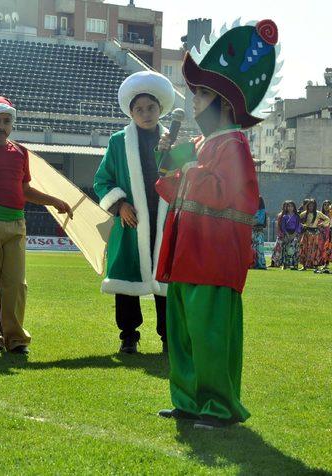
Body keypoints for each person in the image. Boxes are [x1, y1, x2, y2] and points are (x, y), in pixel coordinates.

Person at [155, 19, 281, 429]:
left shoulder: (235, 145)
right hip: (186, 255)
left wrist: (187, 170)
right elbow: (168, 180)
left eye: (203, 93)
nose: (194, 102)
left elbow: (235, 199)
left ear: (225, 103)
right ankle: (188, 401)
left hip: (212, 259)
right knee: (184, 334)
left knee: (209, 337)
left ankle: (219, 406)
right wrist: (170, 158)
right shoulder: (200, 144)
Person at [0, 96, 72, 354]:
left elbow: (24, 189)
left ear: (12, 123)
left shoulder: (21, 153)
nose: (1, 126)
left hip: (16, 222)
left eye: (6, 121)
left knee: (15, 284)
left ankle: (15, 339)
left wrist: (53, 201)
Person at [94, 71, 176, 354]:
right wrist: (120, 205)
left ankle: (169, 338)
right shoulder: (118, 142)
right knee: (126, 277)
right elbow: (102, 180)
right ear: (131, 112)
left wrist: (176, 154)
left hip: (166, 222)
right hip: (131, 222)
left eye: (151, 107)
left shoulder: (173, 140)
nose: (146, 113)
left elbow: (187, 178)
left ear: (160, 109)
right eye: (139, 109)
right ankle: (129, 335)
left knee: (167, 278)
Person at [299, 199, 330, 271]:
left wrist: (322, 224)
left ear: (315, 206)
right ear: (308, 206)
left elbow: (327, 219)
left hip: (315, 233)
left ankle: (315, 265)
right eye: (309, 205)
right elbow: (298, 220)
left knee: (315, 250)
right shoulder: (304, 213)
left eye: (312, 205)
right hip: (306, 233)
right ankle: (304, 266)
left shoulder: (318, 213)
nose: (311, 206)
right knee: (304, 249)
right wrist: (302, 225)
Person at [271, 200, 301, 270]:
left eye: (291, 206)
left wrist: (294, 234)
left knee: (293, 249)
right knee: (285, 250)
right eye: (288, 206)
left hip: (294, 234)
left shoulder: (297, 216)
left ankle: (295, 264)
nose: (290, 208)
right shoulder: (284, 216)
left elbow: (298, 226)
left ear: (294, 207)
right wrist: (287, 234)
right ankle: (285, 264)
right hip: (286, 234)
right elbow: (283, 226)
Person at [251, 196, 267, 269]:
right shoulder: (251, 209)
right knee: (252, 248)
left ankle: (261, 264)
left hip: (259, 231)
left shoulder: (262, 211)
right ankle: (253, 263)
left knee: (259, 248)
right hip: (251, 231)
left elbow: (259, 221)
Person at [315, 200, 331, 273]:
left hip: (329, 233)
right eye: (325, 205)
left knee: (327, 249)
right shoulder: (320, 214)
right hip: (321, 234)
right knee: (320, 249)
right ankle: (319, 263)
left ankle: (326, 264)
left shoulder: (331, 214)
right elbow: (317, 224)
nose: (326, 206)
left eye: (328, 205)